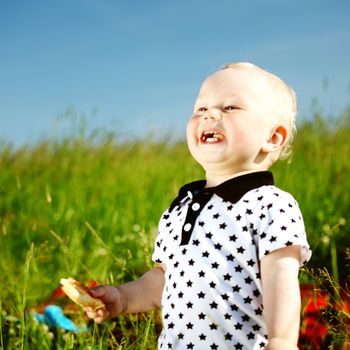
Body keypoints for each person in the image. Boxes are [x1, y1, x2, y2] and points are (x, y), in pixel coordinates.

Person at [85, 62, 311, 350]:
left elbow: (280, 277)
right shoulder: (179, 208)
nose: (210, 114)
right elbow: (163, 279)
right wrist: (123, 297)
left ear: (272, 137)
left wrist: (281, 341)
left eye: (230, 108)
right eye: (200, 109)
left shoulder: (271, 204)